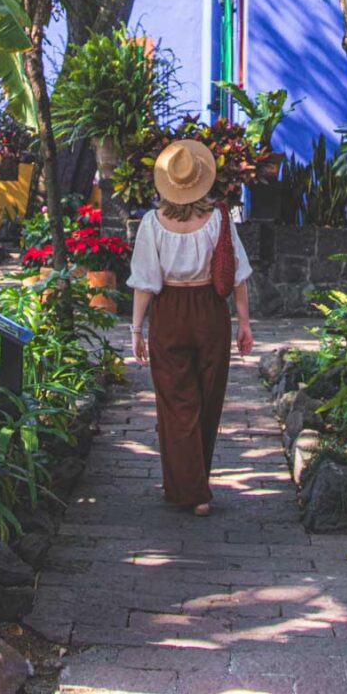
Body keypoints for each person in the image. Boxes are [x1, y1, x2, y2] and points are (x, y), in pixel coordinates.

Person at [127, 139, 254, 516]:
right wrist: (243, 323)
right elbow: (238, 276)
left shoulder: (152, 224)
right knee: (207, 399)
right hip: (210, 313)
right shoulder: (218, 219)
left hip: (168, 315)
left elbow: (144, 282)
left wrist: (135, 330)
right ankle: (197, 486)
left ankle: (189, 489)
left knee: (176, 404)